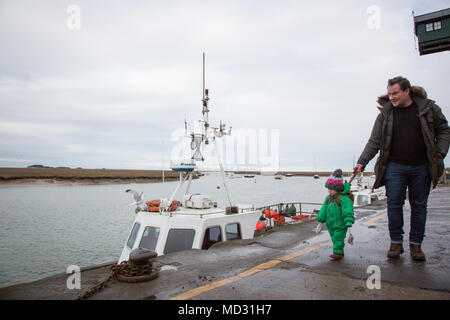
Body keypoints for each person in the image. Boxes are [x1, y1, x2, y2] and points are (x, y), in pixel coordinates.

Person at [354, 76, 450, 261]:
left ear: (407, 91)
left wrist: (440, 153)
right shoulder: (385, 114)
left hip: (422, 166)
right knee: (394, 205)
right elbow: (374, 141)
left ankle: (416, 245)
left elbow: (444, 130)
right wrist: (362, 161)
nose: (392, 97)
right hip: (394, 167)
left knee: (419, 206)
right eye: (389, 94)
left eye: (395, 93)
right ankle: (396, 243)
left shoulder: (428, 108)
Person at [317, 169, 354, 260]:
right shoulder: (328, 198)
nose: (330, 191)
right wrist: (321, 218)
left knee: (338, 237)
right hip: (331, 224)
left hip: (340, 223)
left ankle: (337, 253)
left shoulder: (343, 198)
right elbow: (324, 208)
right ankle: (340, 251)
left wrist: (348, 219)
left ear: (338, 189)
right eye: (329, 189)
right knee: (335, 238)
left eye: (332, 189)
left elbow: (347, 209)